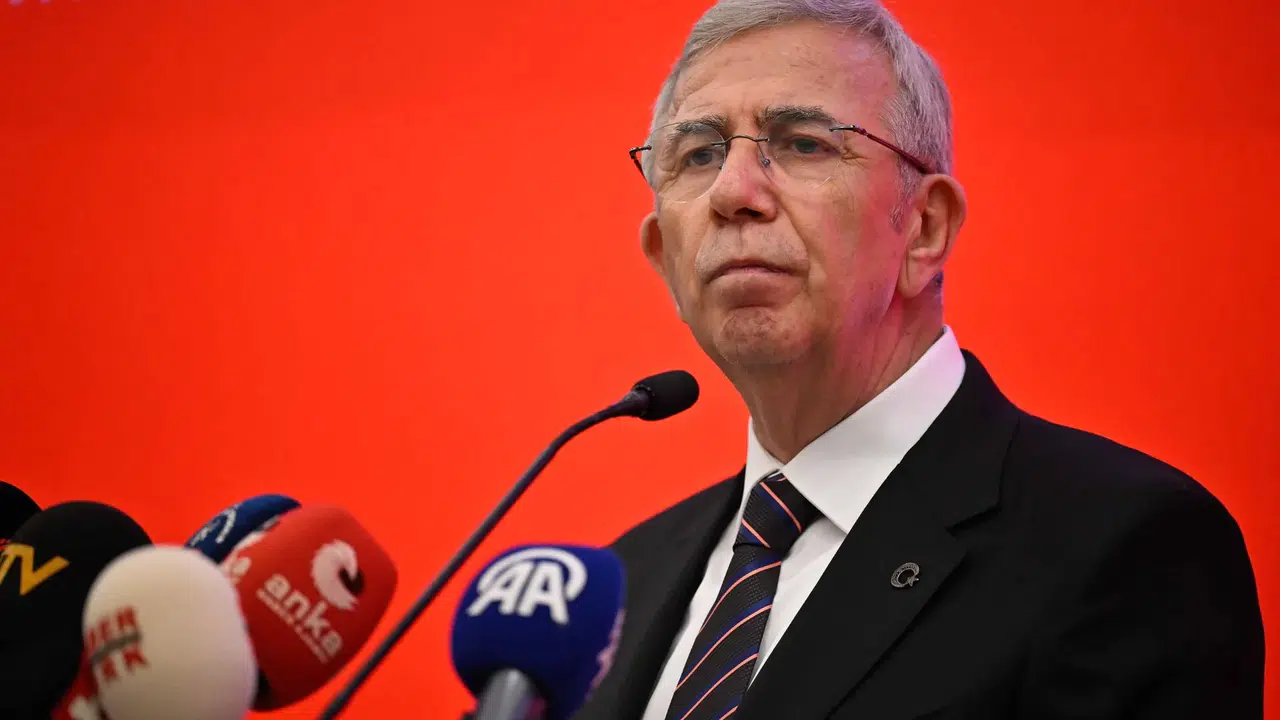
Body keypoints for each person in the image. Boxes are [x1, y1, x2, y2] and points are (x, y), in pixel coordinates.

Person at [570, 1, 1265, 719]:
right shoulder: (619, 587)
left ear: (925, 226)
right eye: (698, 155)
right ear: (664, 258)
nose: (733, 193)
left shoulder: (1121, 545)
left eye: (804, 143)